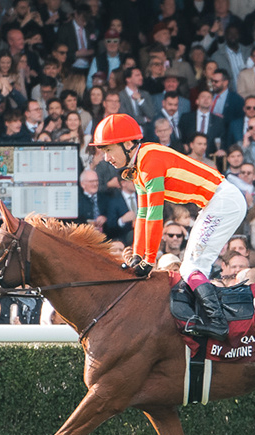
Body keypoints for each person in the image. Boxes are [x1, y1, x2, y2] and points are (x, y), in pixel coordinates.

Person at [87, 112, 246, 338]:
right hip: (216, 202)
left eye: (108, 150)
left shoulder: (149, 159)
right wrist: (137, 256)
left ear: (128, 144)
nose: (105, 158)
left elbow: (154, 213)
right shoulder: (138, 167)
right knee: (190, 266)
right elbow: (142, 214)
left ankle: (218, 322)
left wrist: (149, 260)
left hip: (223, 201)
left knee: (192, 267)